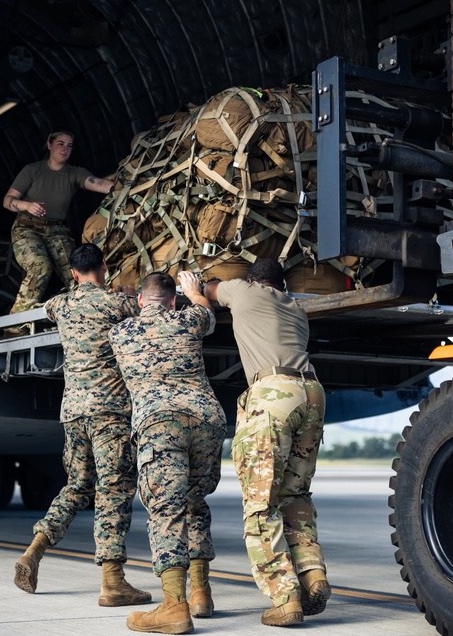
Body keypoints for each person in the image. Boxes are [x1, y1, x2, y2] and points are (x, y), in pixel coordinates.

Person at [13, 243, 152, 609]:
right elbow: (144, 307)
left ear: (74, 274)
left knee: (76, 486)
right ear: (104, 267)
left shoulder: (61, 305)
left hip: (73, 412)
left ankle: (34, 551)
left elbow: (48, 306)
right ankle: (113, 582)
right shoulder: (118, 305)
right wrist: (124, 292)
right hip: (110, 413)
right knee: (113, 491)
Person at [203, 258, 331, 627]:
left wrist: (199, 285)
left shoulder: (243, 290)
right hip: (312, 393)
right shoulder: (296, 308)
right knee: (295, 495)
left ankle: (285, 597)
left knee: (260, 505)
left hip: (274, 395)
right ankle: (312, 575)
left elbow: (211, 290)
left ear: (253, 279)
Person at [109, 271, 226, 635]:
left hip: (160, 424)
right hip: (206, 420)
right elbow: (207, 312)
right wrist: (194, 291)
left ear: (141, 301)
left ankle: (174, 607)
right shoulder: (190, 318)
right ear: (173, 300)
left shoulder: (120, 332)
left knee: (166, 510)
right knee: (195, 503)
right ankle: (201, 594)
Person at [2, 130, 115, 313]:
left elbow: (99, 183)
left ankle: (83, 314)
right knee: (40, 267)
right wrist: (26, 205)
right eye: (60, 144)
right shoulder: (33, 170)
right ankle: (16, 325)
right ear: (50, 145)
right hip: (27, 226)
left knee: (77, 271)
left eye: (69, 146)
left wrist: (124, 187)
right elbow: (7, 200)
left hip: (56, 229)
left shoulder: (74, 173)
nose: (65, 149)